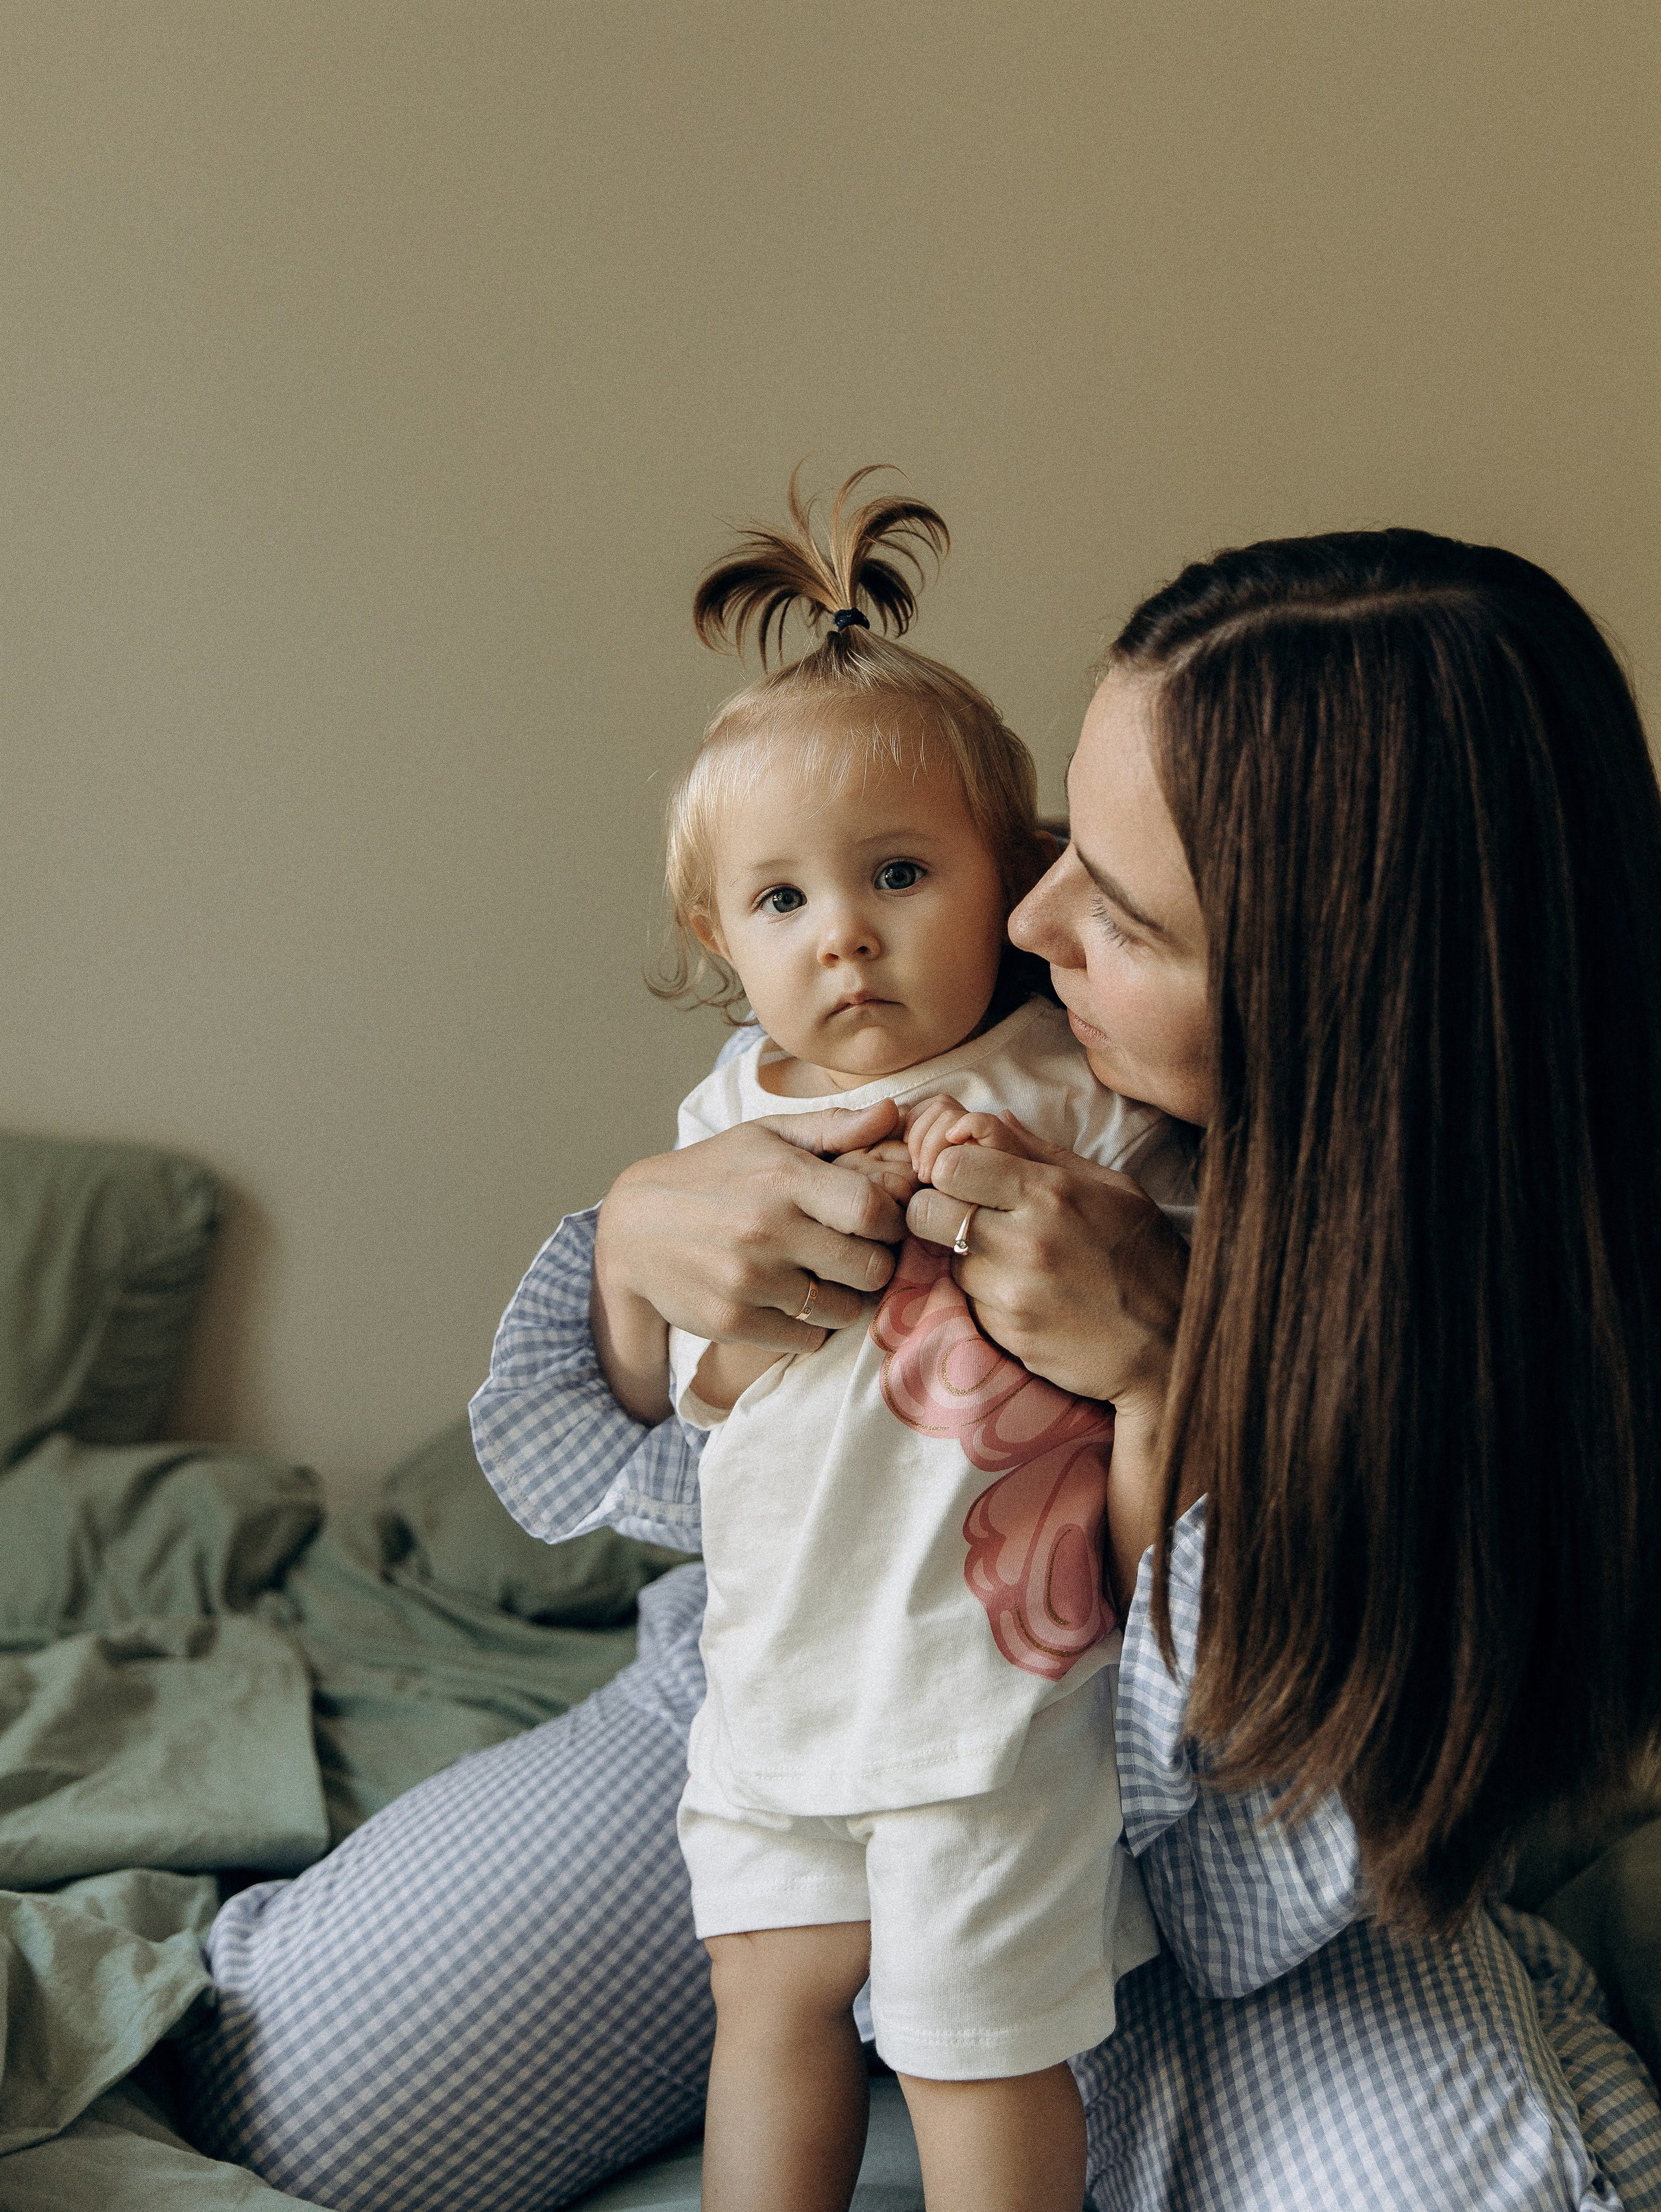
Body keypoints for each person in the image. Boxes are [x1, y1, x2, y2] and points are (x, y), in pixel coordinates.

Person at [181, 526, 1661, 2212]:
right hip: (799, 1708)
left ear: (1344, 1000)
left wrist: (1169, 1383)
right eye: (1053, 850)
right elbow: (731, 1477)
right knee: (293, 2107)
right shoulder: (969, 1055)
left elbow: (1266, 1873)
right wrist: (639, 1250)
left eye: (1120, 908)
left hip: (1235, 1879)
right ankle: (870, 2039)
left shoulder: (1501, 1330)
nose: (1027, 912)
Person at [474, 471, 1196, 2212]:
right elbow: (662, 1392)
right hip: (773, 1676)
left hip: (986, 1703)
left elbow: (1181, 1275)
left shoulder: (1065, 1088)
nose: (847, 932)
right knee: (766, 1996)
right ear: (718, 939)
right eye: (782, 901)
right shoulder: (727, 1111)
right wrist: (647, 1257)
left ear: (1015, 878)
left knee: (976, 2042)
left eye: (897, 872)